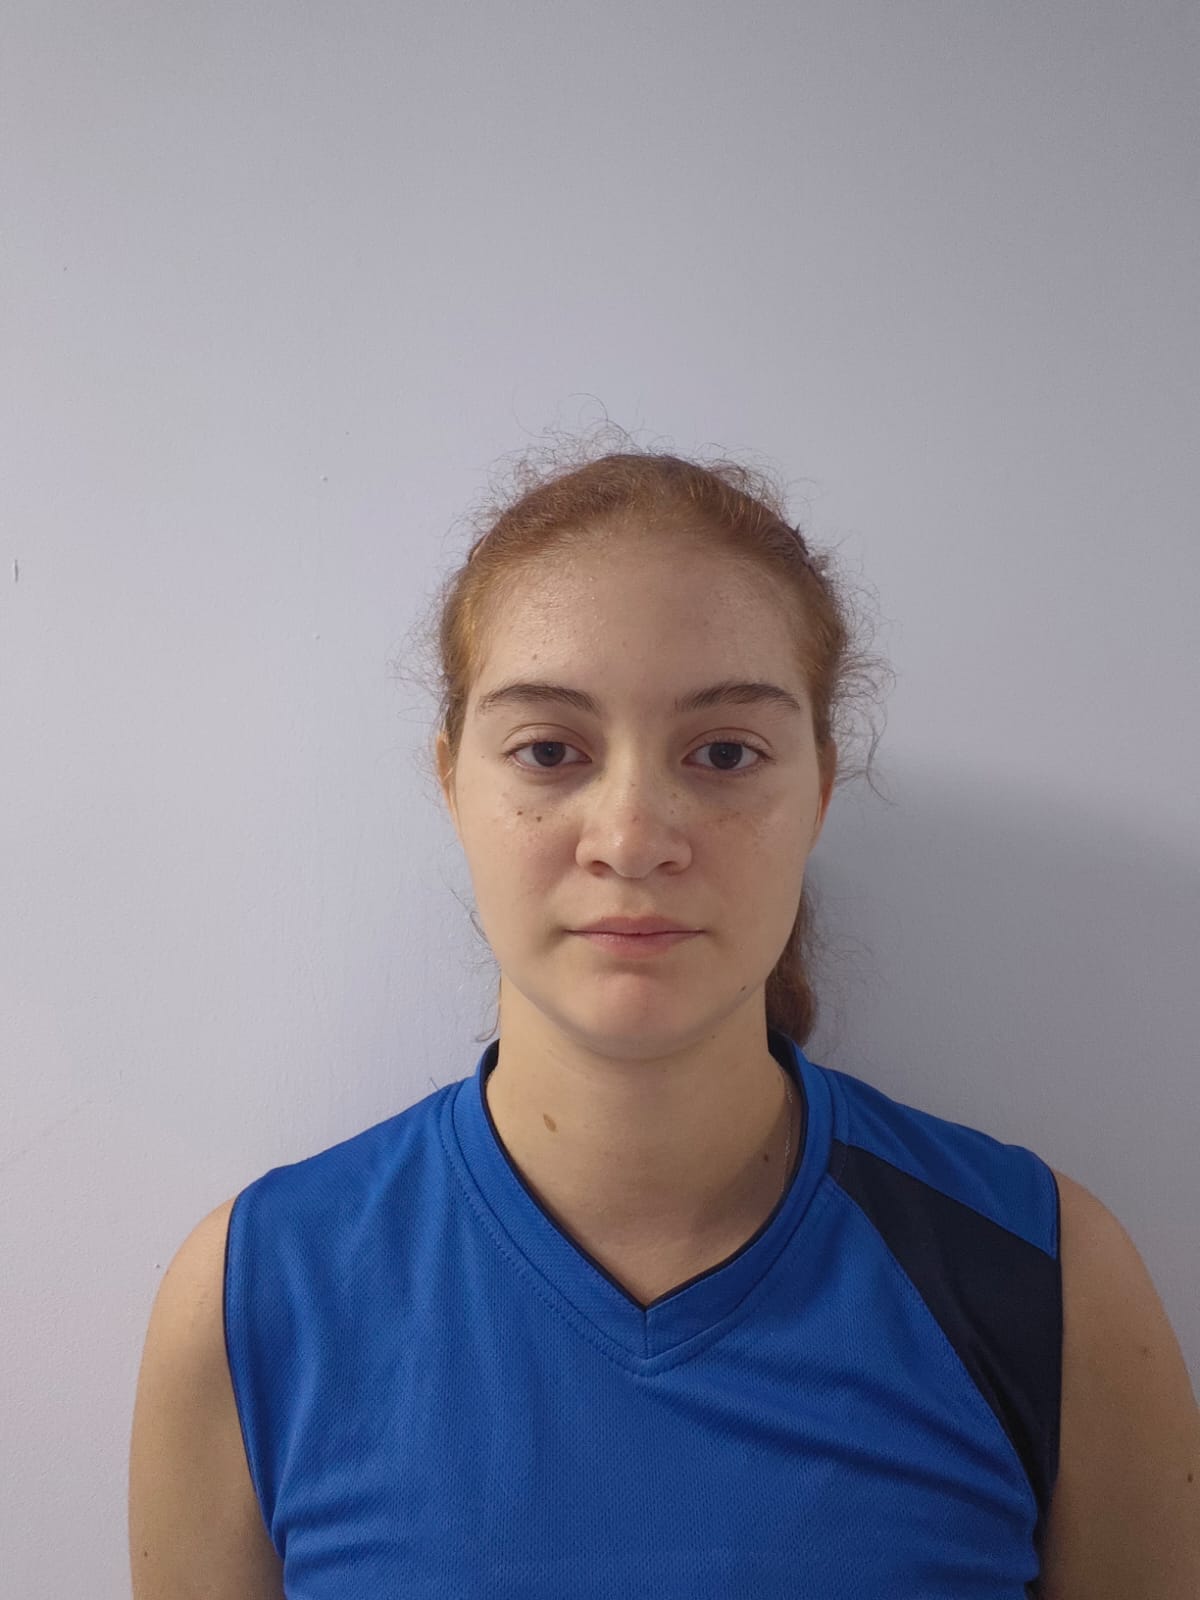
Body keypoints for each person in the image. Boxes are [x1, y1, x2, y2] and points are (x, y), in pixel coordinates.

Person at [130, 437, 1199, 1599]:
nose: (633, 836)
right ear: (453, 784)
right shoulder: (256, 1296)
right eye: (550, 751)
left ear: (819, 789)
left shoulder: (1047, 1276)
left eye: (725, 752)